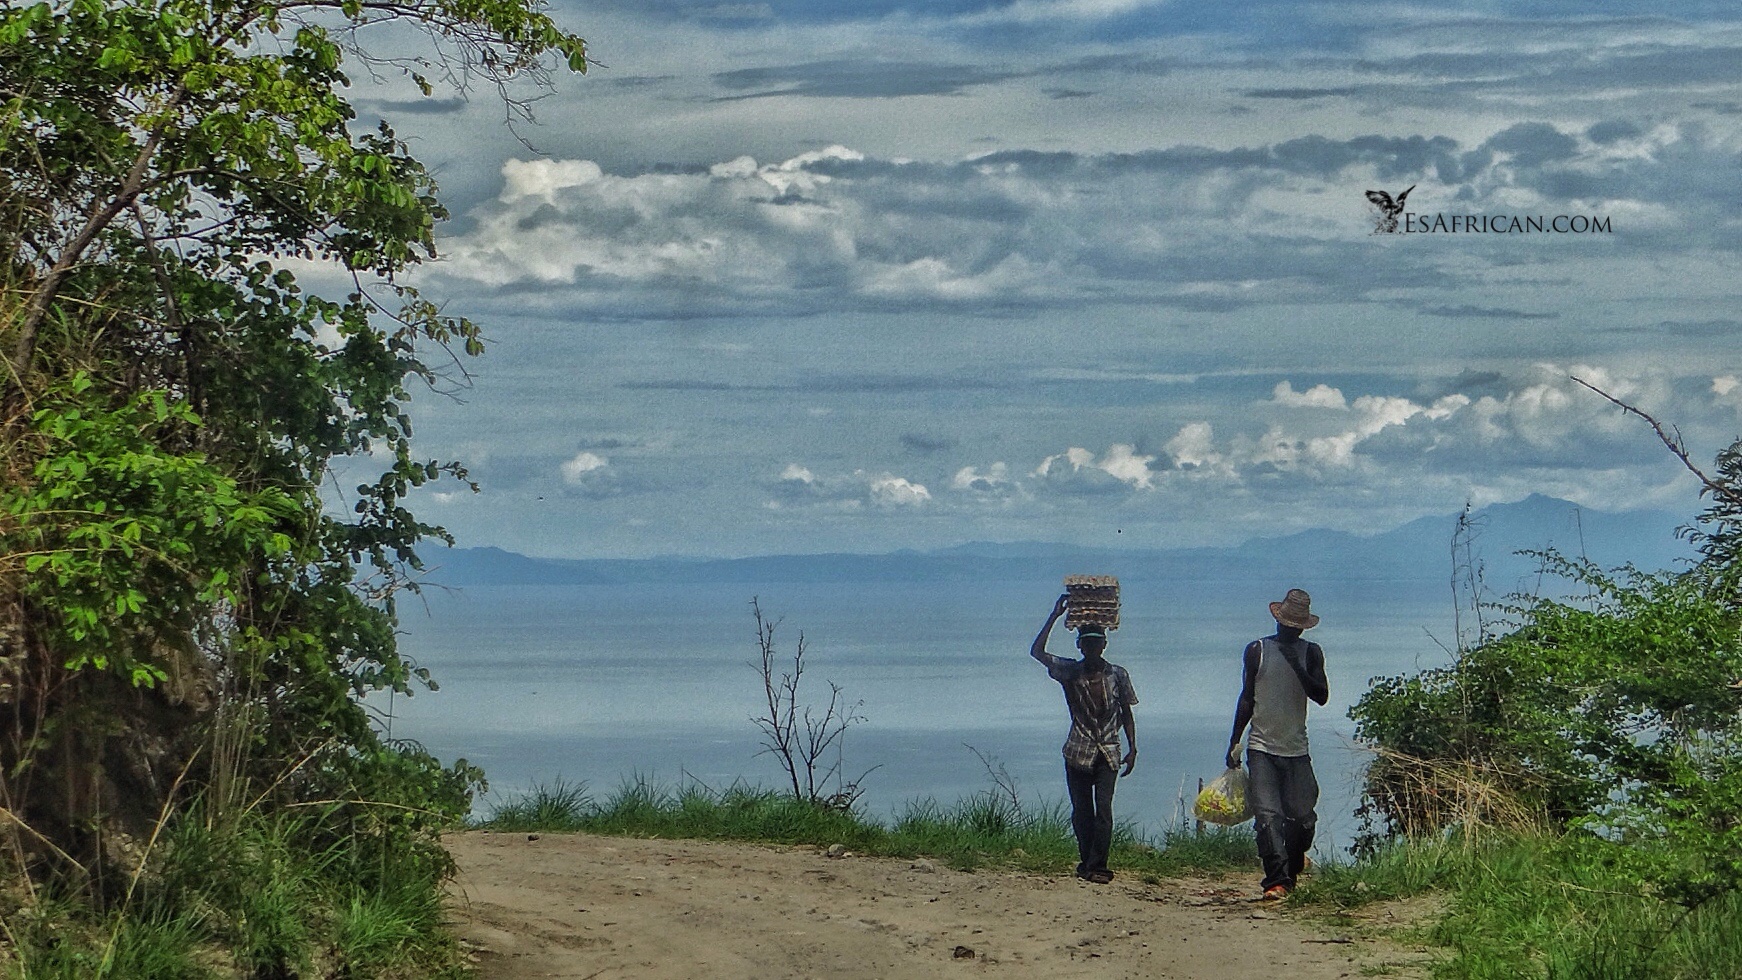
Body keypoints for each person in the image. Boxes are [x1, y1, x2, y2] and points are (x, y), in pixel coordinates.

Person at [1224, 588, 1329, 900]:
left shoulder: (1312, 653)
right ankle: (1276, 881)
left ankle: (1294, 864)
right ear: (1278, 621)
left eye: (1294, 626)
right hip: (1261, 748)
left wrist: (1298, 668)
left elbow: (1321, 695)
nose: (1288, 629)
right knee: (1268, 816)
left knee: (1303, 817)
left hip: (1297, 749)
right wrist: (1234, 740)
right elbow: (1247, 698)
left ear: (1301, 628)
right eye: (1285, 623)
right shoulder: (1257, 650)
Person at [1030, 593, 1138, 884]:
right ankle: (1087, 861)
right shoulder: (1069, 671)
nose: (1092, 648)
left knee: (1103, 810)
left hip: (1109, 752)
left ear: (1103, 645)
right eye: (1087, 643)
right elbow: (1037, 652)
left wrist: (1133, 747)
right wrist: (1054, 616)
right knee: (1081, 812)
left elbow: (1126, 711)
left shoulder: (1117, 675)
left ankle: (1097, 866)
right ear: (1080, 646)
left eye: (1096, 643)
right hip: (1078, 751)